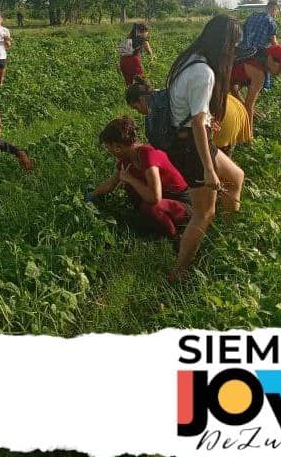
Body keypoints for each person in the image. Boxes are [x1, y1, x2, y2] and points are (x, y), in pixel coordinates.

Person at [165, 14, 245, 278]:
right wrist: (209, 170)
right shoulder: (204, 72)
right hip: (191, 146)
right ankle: (179, 271)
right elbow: (197, 124)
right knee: (204, 213)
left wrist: (209, 120)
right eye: (233, 45)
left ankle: (227, 236)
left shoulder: (191, 59)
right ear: (225, 44)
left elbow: (196, 115)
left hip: (189, 139)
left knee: (235, 176)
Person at [87, 117, 191, 249]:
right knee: (133, 192)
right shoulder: (126, 160)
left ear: (116, 146)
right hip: (166, 204)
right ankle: (155, 228)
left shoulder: (148, 154)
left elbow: (154, 198)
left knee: (149, 206)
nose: (110, 152)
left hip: (184, 205)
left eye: (109, 148)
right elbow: (110, 184)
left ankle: (175, 238)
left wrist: (130, 179)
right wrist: (92, 195)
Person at [125, 78, 251, 156]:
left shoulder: (155, 108)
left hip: (220, 116)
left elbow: (163, 143)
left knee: (210, 162)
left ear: (141, 100)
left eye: (136, 108)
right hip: (232, 105)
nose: (139, 112)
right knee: (222, 157)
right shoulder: (164, 93)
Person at [230, 45, 281, 133]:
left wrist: (250, 110)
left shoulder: (255, 55)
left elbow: (233, 83)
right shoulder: (259, 74)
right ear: (271, 58)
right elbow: (249, 105)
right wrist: (248, 134)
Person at [239, 0, 280, 89]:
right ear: (274, 9)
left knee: (246, 79)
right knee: (265, 75)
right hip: (260, 55)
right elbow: (274, 43)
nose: (276, 15)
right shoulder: (271, 22)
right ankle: (266, 91)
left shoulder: (251, 17)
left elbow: (242, 33)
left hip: (245, 53)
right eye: (277, 12)